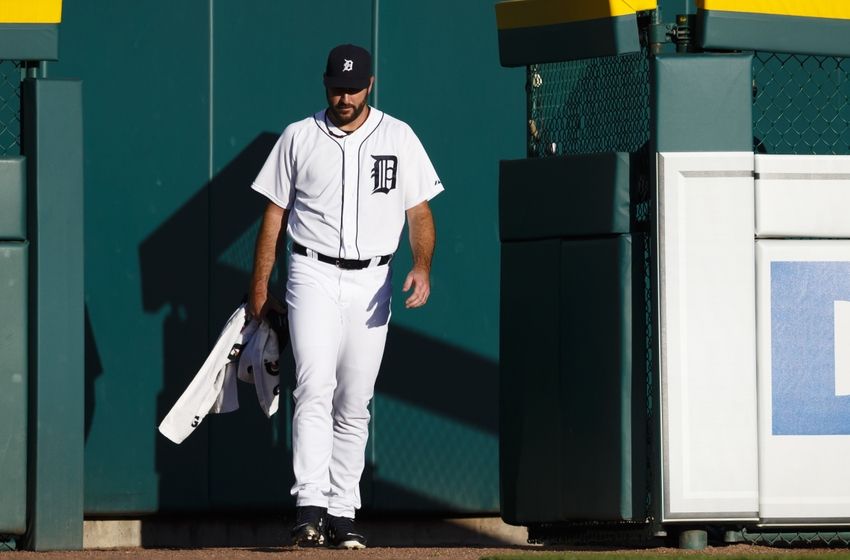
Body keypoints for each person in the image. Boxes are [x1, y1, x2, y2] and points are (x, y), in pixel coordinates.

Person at [247, 44, 443, 549]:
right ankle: (308, 506)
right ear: (325, 83)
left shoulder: (398, 135)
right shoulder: (299, 136)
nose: (345, 96)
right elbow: (274, 214)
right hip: (310, 272)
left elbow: (419, 213)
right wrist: (259, 288)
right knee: (314, 386)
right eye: (337, 86)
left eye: (354, 87)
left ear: (370, 84)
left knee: (355, 399)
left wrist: (421, 266)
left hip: (374, 280)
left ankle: (342, 511)